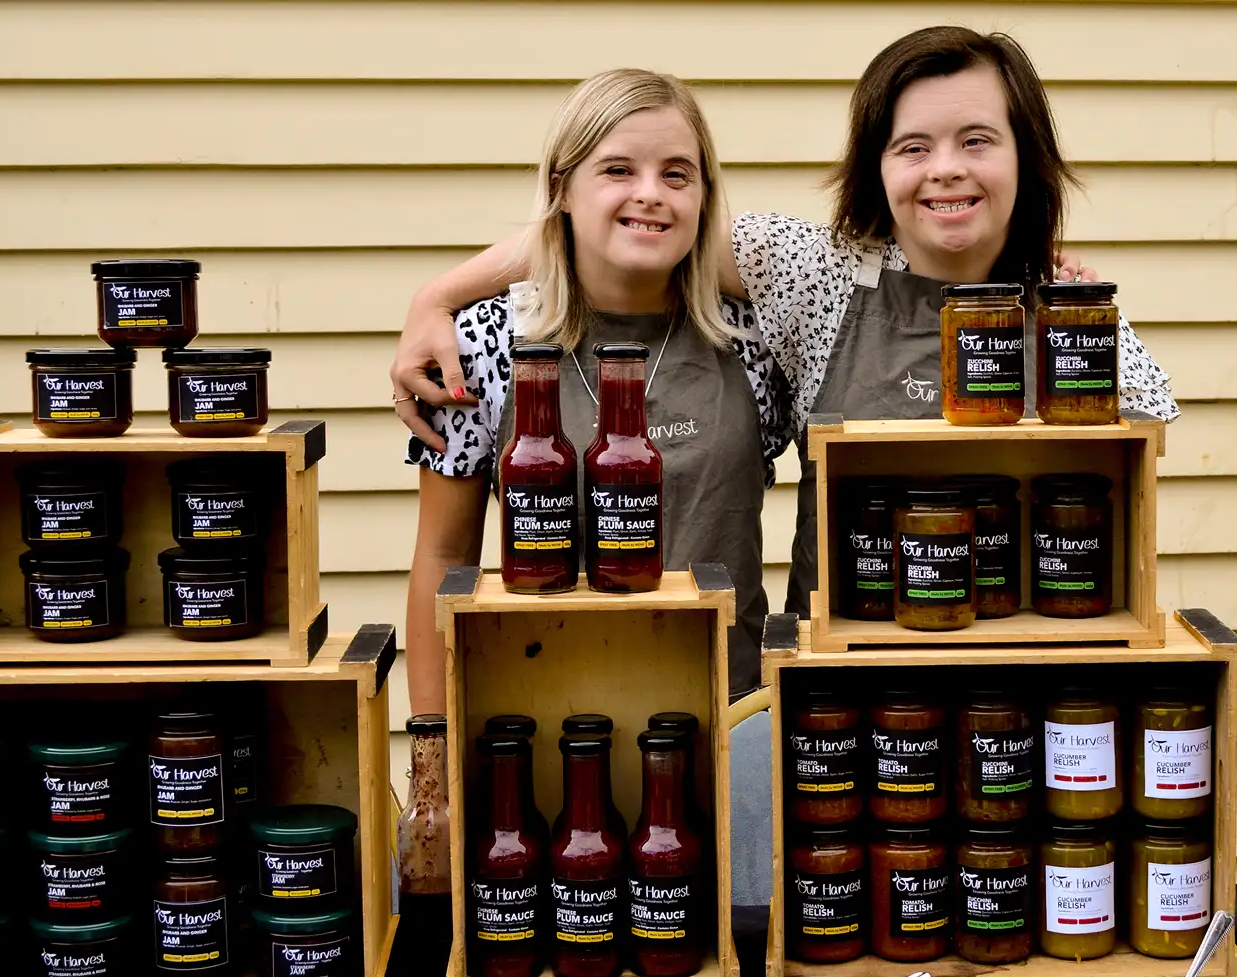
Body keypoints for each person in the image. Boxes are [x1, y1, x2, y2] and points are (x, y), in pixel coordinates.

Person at [391, 27, 1179, 620]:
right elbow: (626, 228)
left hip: (1032, 691)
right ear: (879, 167)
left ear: (1025, 159)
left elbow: (1135, 494)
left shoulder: (1085, 327)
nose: (946, 168)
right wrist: (441, 293)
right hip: (832, 709)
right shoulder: (817, 275)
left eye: (978, 140)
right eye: (913, 146)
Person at [401, 68, 789, 716]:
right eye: (617, 170)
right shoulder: (484, 342)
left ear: (704, 195)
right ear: (563, 189)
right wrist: (435, 752)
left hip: (731, 721)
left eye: (676, 174)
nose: (651, 194)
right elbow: (443, 558)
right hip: (543, 730)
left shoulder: (756, 336)